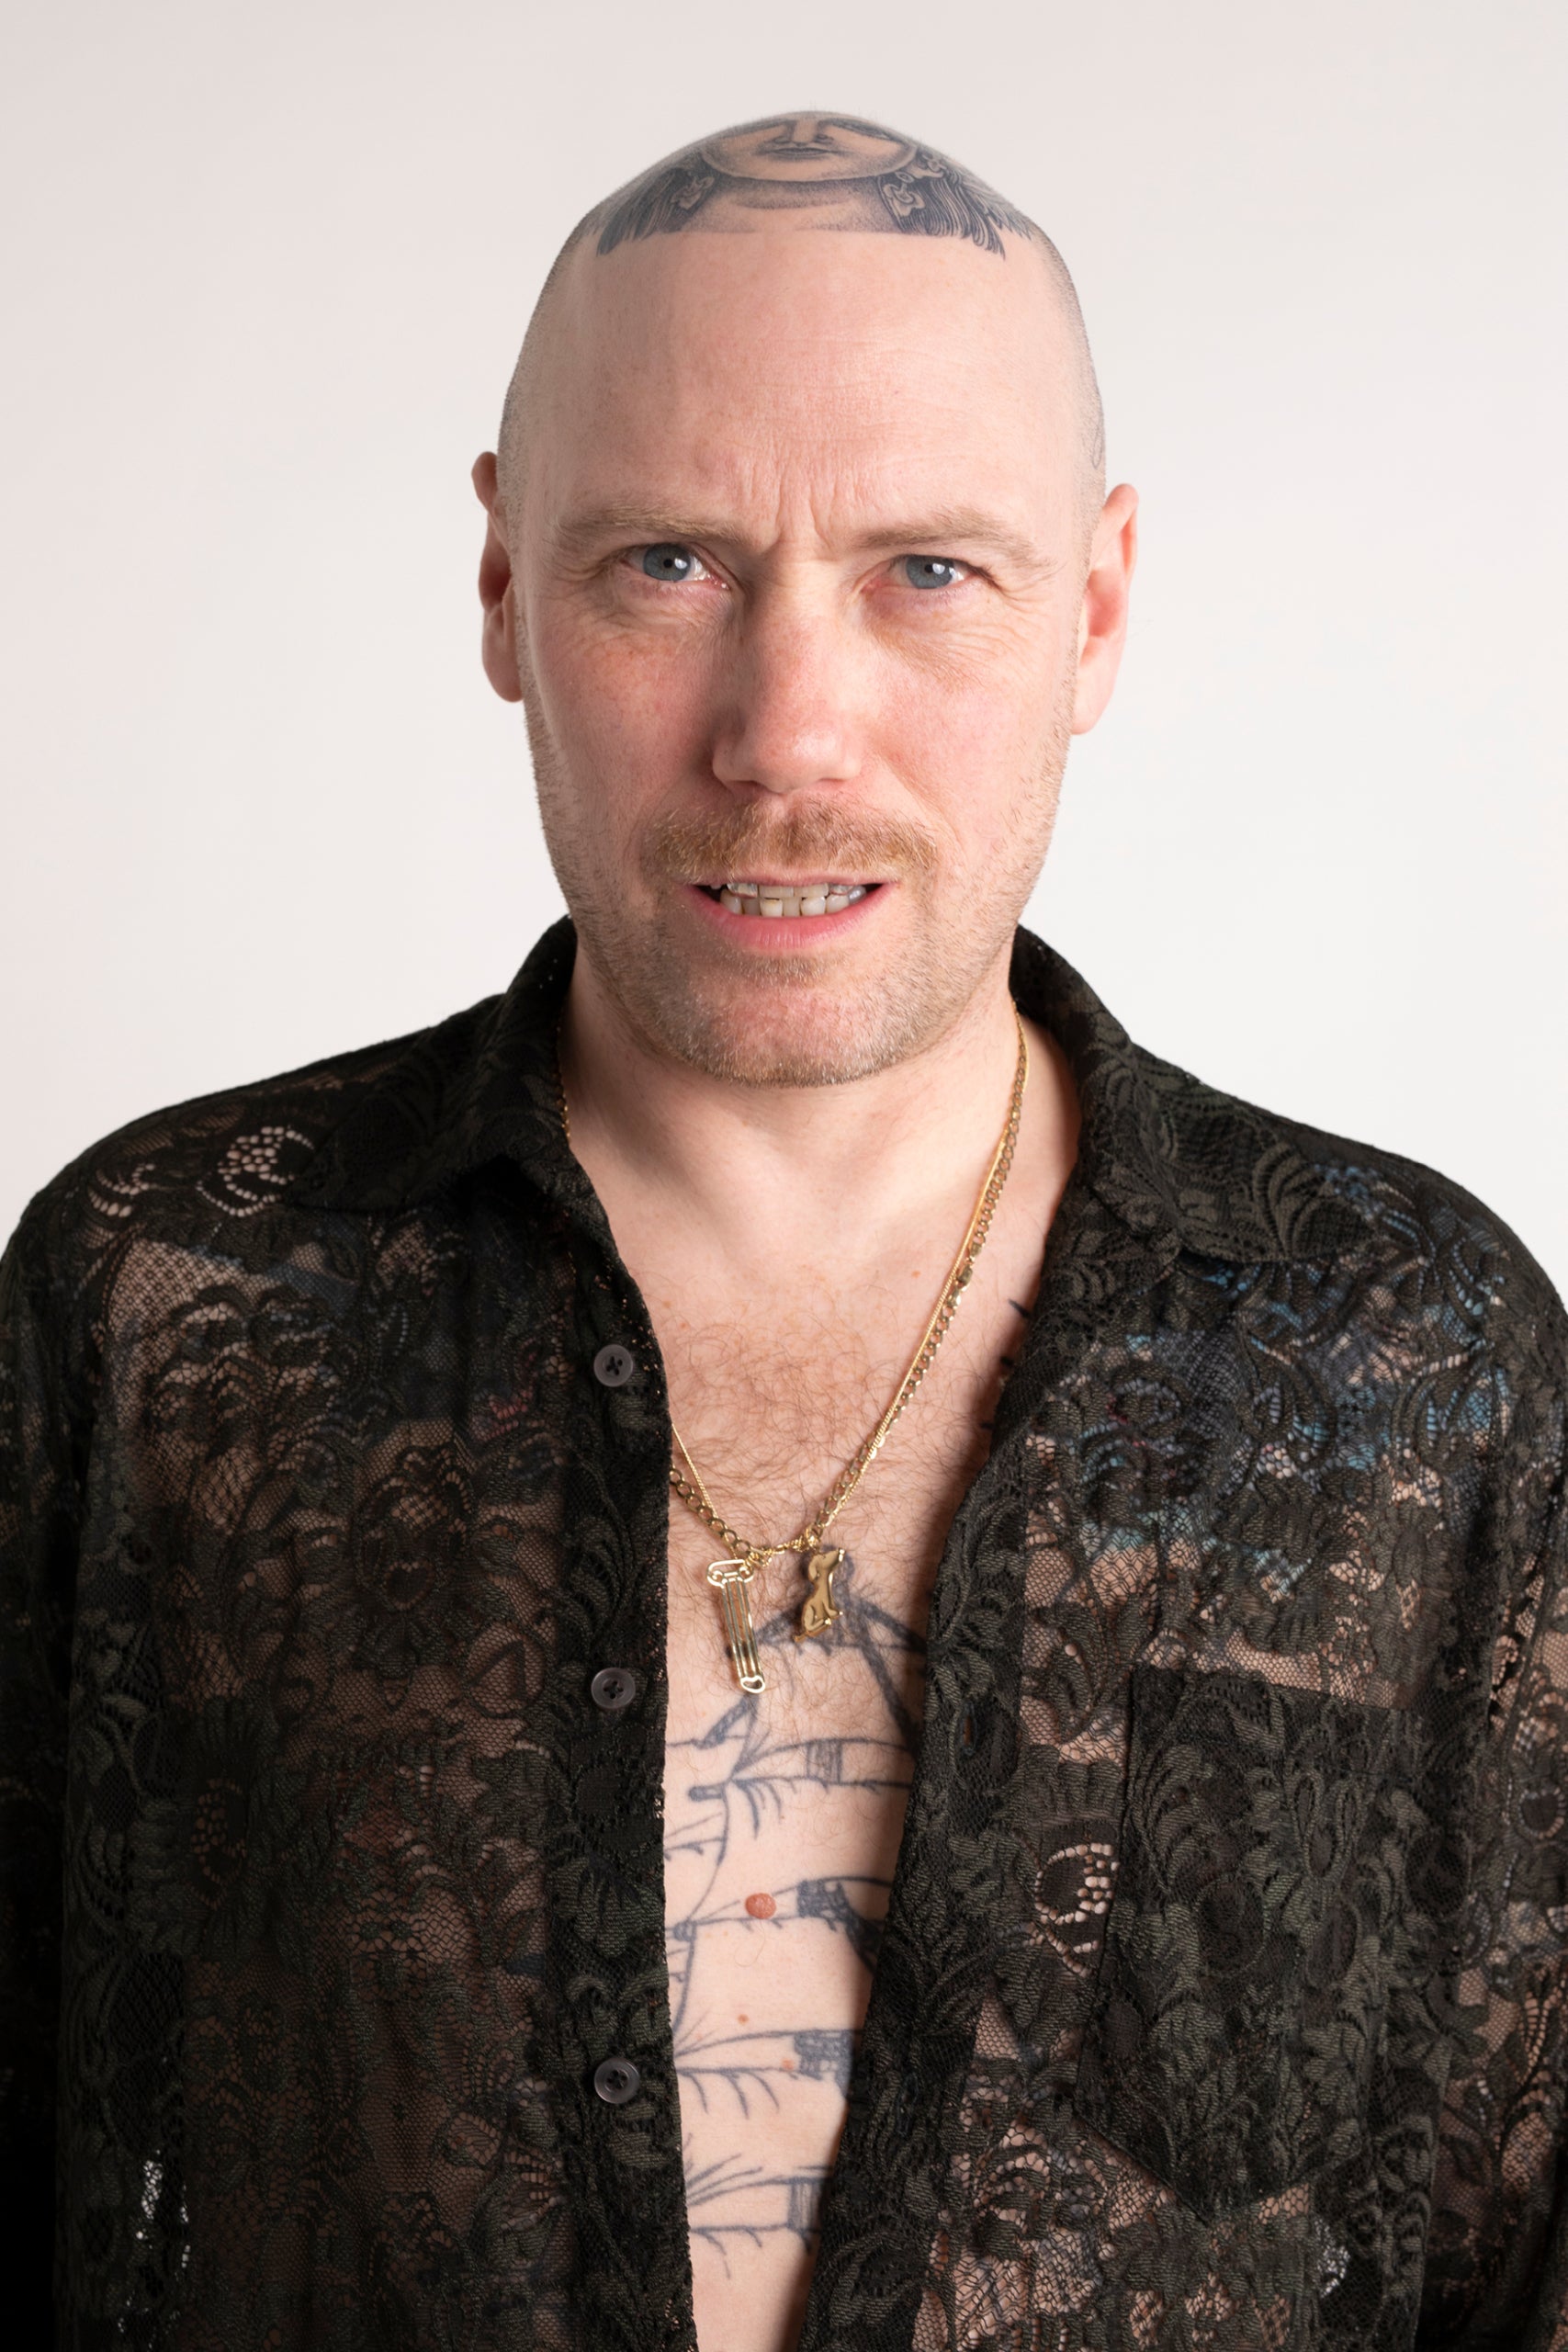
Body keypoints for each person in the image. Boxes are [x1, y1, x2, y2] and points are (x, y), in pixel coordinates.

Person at [2, 107, 1564, 2352]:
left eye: (925, 569)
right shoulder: (163, 1304)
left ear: (1094, 604)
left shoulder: (1411, 1357)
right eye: (667, 563)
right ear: (500, 582)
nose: (786, 734)